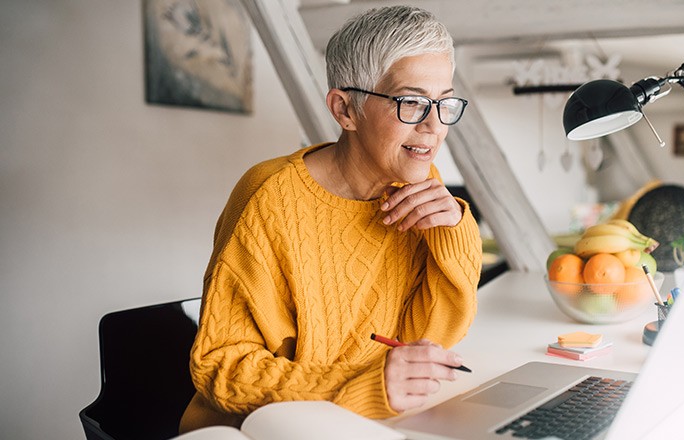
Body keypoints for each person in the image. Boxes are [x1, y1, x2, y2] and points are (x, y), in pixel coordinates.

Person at [178, 5, 482, 433]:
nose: (434, 126)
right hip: (252, 429)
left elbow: (430, 339)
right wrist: (359, 385)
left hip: (356, 424)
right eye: (411, 102)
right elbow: (221, 368)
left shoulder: (414, 187)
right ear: (345, 110)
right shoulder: (269, 197)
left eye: (444, 102)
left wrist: (455, 232)